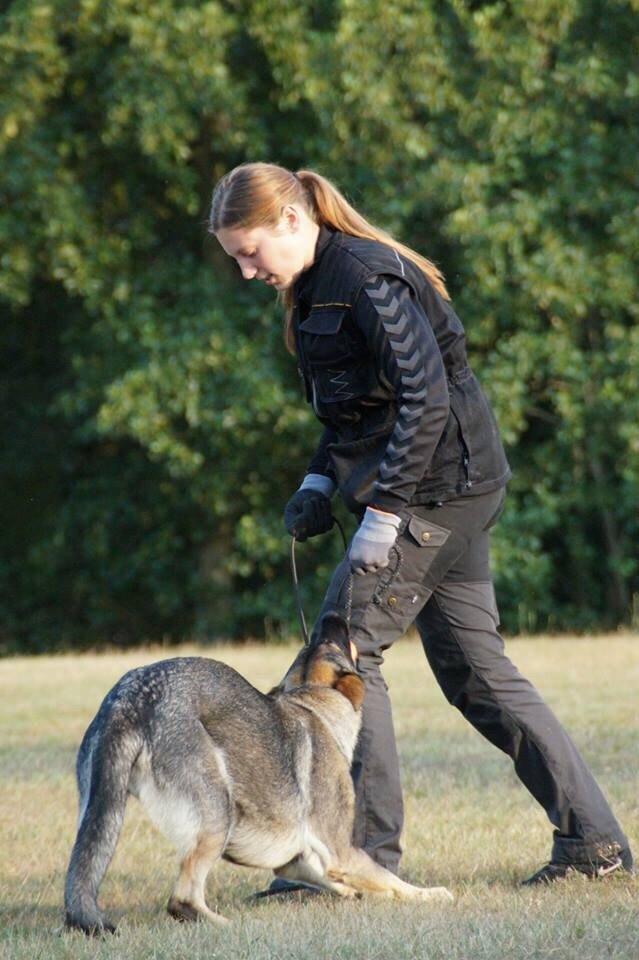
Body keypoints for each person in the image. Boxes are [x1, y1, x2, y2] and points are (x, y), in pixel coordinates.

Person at [209, 162, 633, 888]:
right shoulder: (315, 282)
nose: (247, 270)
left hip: (437, 489)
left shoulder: (367, 278)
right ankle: (593, 846)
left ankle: (354, 862)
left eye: (250, 250)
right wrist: (319, 477)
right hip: (442, 486)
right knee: (475, 673)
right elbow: (355, 409)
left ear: (289, 219)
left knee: (340, 659)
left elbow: (425, 401)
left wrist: (385, 513)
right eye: (235, 258)